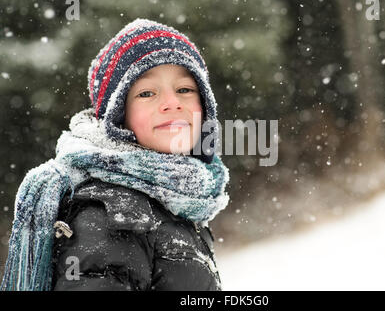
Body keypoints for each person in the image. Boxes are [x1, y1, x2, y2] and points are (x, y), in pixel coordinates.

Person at [1, 18, 230, 291]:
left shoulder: (175, 202)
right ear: (118, 115)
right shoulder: (114, 215)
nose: (172, 103)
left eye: (184, 89)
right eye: (147, 93)